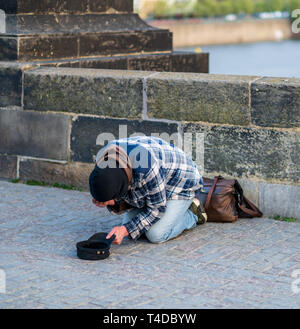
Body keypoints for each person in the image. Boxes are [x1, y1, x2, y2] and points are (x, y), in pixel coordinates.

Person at [89, 136, 207, 245]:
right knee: (136, 230)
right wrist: (113, 201)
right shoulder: (103, 158)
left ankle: (193, 213)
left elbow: (157, 209)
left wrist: (125, 230)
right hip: (156, 182)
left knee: (155, 234)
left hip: (182, 184)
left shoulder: (147, 168)